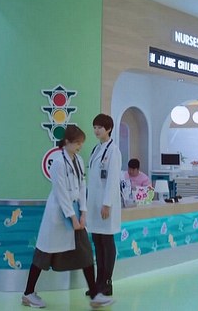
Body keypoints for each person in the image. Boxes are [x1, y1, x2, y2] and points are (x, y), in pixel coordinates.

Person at [22, 125, 114, 309]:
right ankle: (28, 293)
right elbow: (61, 192)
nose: (80, 146)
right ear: (67, 142)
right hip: (58, 215)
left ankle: (95, 295)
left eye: (81, 143)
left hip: (76, 214)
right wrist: (72, 217)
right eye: (77, 143)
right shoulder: (58, 162)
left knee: (86, 253)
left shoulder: (78, 160)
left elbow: (82, 186)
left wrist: (83, 212)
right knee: (43, 255)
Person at [86, 114, 122, 299]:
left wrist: (107, 204)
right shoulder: (96, 149)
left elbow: (112, 180)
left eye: (99, 127)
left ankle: (107, 282)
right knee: (97, 242)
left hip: (105, 205)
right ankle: (98, 282)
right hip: (94, 204)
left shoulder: (113, 151)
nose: (96, 130)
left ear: (108, 129)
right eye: (94, 127)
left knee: (107, 242)